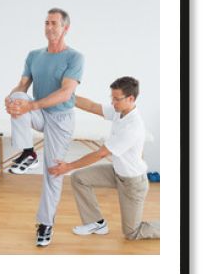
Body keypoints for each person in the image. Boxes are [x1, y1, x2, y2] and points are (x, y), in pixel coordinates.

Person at [5, 8, 84, 247]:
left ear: (65, 28)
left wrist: (31, 106)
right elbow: (22, 84)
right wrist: (10, 100)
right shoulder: (34, 55)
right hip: (39, 114)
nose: (49, 27)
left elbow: (65, 93)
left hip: (60, 119)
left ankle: (45, 223)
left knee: (53, 172)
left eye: (55, 24)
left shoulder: (74, 57)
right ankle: (27, 152)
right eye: (47, 23)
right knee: (17, 96)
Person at [48, 76, 160, 240]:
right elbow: (92, 106)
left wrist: (68, 166)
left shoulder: (133, 127)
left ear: (131, 98)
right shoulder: (119, 111)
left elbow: (100, 153)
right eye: (112, 98)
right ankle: (96, 222)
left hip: (132, 182)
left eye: (116, 99)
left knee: (131, 233)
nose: (113, 102)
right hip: (117, 173)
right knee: (80, 178)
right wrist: (66, 95)